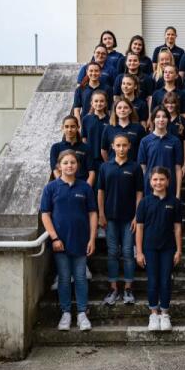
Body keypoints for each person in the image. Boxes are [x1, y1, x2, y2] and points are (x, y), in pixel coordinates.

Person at [41, 149, 98, 331]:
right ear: (59, 166)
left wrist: (92, 239)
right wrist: (54, 238)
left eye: (72, 162)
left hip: (81, 241)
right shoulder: (51, 188)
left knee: (80, 277)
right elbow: (45, 215)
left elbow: (92, 214)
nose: (69, 166)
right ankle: (65, 313)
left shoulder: (85, 188)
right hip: (60, 243)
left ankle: (82, 313)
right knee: (64, 278)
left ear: (77, 165)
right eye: (65, 163)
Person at [98, 134, 144, 305]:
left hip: (129, 218)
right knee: (112, 252)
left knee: (127, 252)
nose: (121, 148)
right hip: (110, 217)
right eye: (118, 145)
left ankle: (128, 289)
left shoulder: (135, 167)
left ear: (129, 146)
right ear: (112, 146)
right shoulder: (105, 167)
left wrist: (137, 216)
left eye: (124, 145)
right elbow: (100, 191)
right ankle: (113, 288)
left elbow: (139, 193)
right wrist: (101, 213)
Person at [135, 166, 183, 331]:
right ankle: (153, 314)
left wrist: (179, 250)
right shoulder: (144, 202)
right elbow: (139, 228)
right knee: (153, 280)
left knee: (165, 280)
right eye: (155, 179)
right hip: (149, 248)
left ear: (168, 181)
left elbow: (177, 228)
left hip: (168, 248)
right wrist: (139, 252)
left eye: (162, 179)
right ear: (150, 182)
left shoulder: (174, 203)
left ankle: (165, 314)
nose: (158, 182)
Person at [138, 106, 183, 198]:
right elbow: (143, 169)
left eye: (164, 117)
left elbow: (178, 169)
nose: (161, 119)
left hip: (170, 188)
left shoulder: (175, 141)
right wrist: (142, 191)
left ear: (168, 120)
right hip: (150, 189)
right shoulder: (145, 141)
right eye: (158, 117)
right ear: (153, 119)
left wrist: (178, 193)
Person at [50, 115, 95, 187]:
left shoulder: (86, 148)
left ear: (78, 127)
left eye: (72, 126)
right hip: (62, 186)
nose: (69, 130)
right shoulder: (56, 148)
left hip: (82, 187)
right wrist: (64, 187)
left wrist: (86, 189)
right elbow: (55, 170)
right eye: (66, 127)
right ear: (62, 128)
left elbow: (92, 172)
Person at [100, 98, 147, 163]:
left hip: (133, 166)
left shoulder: (139, 128)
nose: (122, 110)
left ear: (130, 110)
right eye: (119, 108)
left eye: (125, 108)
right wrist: (110, 164)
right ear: (115, 111)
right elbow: (103, 150)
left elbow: (143, 150)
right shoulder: (108, 128)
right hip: (113, 166)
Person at [82, 90, 110, 184]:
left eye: (102, 101)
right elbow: (84, 139)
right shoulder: (86, 119)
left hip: (105, 159)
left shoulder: (110, 120)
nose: (99, 103)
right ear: (91, 103)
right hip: (90, 158)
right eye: (96, 101)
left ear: (106, 103)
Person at [162, 92, 185, 177]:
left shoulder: (183, 121)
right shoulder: (161, 120)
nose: (170, 105)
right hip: (163, 157)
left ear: (176, 104)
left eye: (172, 103)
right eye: (167, 103)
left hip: (178, 158)